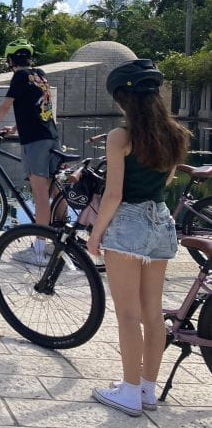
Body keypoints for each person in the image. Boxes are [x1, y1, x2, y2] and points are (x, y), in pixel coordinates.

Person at [86, 59, 188, 416]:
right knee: (152, 313)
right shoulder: (176, 134)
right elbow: (169, 181)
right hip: (160, 221)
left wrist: (95, 235)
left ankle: (128, 392)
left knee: (127, 315)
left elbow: (113, 194)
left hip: (127, 224)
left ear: (124, 100)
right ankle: (146, 389)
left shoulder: (120, 137)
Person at [0, 39, 60, 265]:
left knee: (40, 196)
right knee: (54, 192)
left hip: (35, 142)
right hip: (51, 136)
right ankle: (56, 243)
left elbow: (5, 106)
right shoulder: (40, 74)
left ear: (10, 60)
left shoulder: (19, 76)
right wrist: (14, 128)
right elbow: (41, 107)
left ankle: (38, 252)